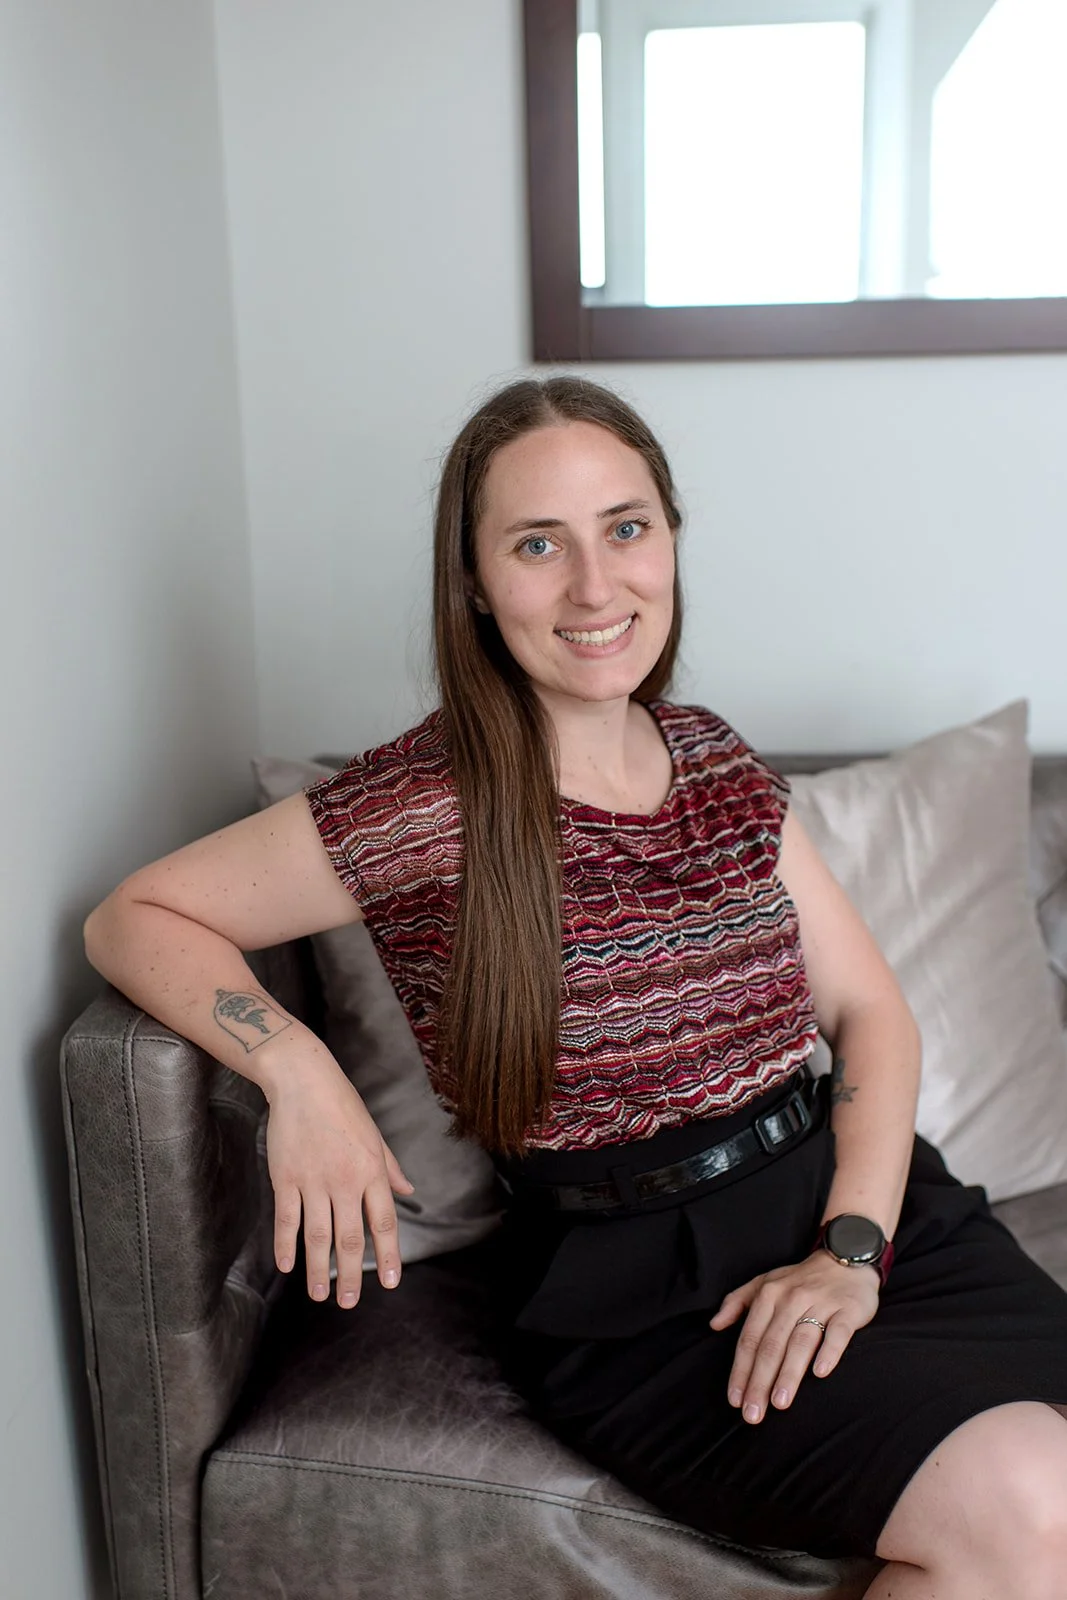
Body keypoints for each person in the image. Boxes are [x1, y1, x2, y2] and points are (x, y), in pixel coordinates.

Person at [84, 375, 1067, 1598]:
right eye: (537, 544)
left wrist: (849, 1250)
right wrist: (295, 1066)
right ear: (475, 585)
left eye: (625, 527)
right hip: (651, 1304)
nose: (595, 586)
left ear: (667, 541)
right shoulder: (426, 802)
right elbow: (136, 914)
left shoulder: (711, 757)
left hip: (866, 1219)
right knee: (1033, 1499)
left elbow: (868, 1014)